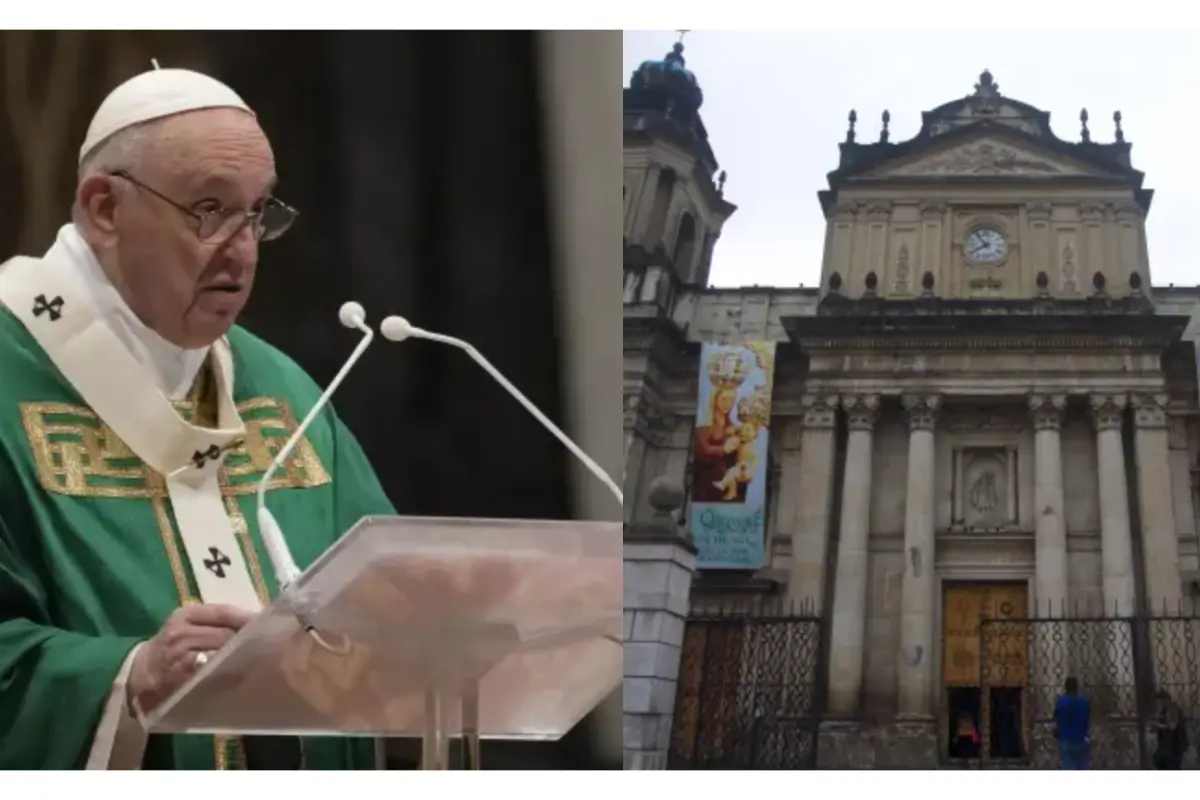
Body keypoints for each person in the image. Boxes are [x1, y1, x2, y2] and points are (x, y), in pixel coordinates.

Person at [0, 67, 395, 769]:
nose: (242, 252)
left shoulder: (282, 389)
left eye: (258, 213)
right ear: (104, 209)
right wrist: (128, 677)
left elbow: (394, 599)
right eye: (209, 210)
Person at [1053, 676, 1091, 769]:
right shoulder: (1084, 702)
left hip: (1066, 740)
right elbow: (1086, 722)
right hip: (1081, 739)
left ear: (1066, 687)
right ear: (1077, 687)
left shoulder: (1061, 702)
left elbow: (1057, 720)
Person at [1152, 689, 1189, 770]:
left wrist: (1158, 725)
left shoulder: (1172, 708)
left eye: (1160, 701)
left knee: (1171, 766)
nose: (1158, 703)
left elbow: (1172, 725)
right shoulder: (1164, 710)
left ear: (1165, 699)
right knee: (1158, 761)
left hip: (1174, 746)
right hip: (1167, 747)